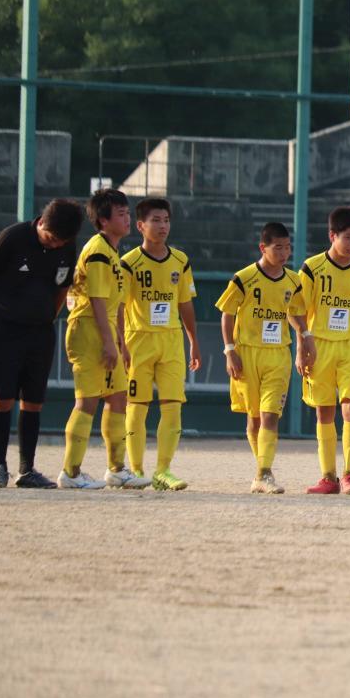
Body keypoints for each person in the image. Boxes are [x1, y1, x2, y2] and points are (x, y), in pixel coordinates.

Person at [0, 199, 83, 488]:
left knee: (33, 401)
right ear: (41, 223)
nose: (56, 245)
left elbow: (63, 286)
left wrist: (48, 316)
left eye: (62, 242)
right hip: (5, 328)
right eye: (52, 238)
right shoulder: (12, 238)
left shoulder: (67, 246)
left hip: (40, 332)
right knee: (3, 398)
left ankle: (27, 469)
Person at [215, 222, 314, 494]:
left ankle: (264, 473)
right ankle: (262, 471)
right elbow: (227, 314)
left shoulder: (293, 281)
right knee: (254, 419)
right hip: (247, 352)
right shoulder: (244, 278)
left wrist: (306, 336)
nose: (284, 253)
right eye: (278, 248)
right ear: (263, 248)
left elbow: (295, 312)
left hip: (278, 354)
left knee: (271, 415)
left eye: (288, 248)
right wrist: (229, 350)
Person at [120, 198, 201, 491]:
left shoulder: (180, 260)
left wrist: (193, 341)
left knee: (173, 405)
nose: (163, 225)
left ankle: (163, 470)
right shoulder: (129, 263)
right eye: (156, 220)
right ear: (140, 225)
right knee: (137, 406)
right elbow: (119, 306)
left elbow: (185, 303)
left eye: (166, 220)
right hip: (138, 340)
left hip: (171, 341)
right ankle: (136, 470)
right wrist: (120, 343)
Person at [299, 207, 350, 495]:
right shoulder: (312, 268)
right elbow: (299, 311)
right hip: (319, 344)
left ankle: (349, 475)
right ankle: (328, 477)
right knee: (324, 410)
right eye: (348, 238)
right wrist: (302, 345)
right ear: (332, 235)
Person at [58, 189, 133, 490]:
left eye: (128, 213)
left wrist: (120, 342)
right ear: (103, 220)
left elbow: (115, 305)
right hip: (89, 330)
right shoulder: (99, 250)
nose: (127, 219)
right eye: (121, 214)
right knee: (87, 400)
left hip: (105, 331)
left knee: (118, 396)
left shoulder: (113, 252)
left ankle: (117, 469)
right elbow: (97, 300)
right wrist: (108, 342)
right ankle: (71, 472)